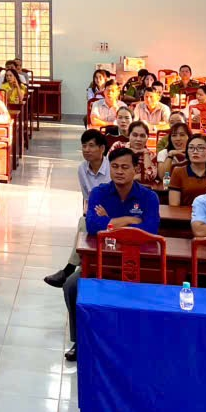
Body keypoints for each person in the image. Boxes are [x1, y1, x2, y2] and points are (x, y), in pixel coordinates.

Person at [62, 147, 160, 361]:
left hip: (139, 264)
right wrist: (130, 220)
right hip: (103, 261)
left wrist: (110, 222)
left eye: (125, 167)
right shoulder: (99, 193)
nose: (119, 172)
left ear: (135, 170)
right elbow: (92, 225)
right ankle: (80, 341)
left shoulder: (148, 197)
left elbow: (151, 230)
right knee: (71, 285)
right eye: (115, 167)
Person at [43, 130, 111, 289]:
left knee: (83, 223)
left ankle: (69, 269)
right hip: (94, 212)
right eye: (84, 146)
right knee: (84, 221)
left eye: (91, 146)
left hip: (111, 214)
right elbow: (86, 198)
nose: (87, 150)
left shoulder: (111, 167)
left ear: (102, 148)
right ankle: (77, 267)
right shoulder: (82, 169)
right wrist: (90, 213)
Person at [169, 133, 206, 206]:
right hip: (184, 212)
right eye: (191, 148)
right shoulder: (178, 172)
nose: (195, 151)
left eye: (200, 148)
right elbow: (174, 205)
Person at [125, 121, 159, 186]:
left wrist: (145, 153)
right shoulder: (118, 146)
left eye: (142, 136)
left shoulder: (151, 155)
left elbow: (150, 176)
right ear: (129, 135)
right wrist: (135, 177)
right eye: (135, 135)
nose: (138, 139)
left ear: (147, 137)